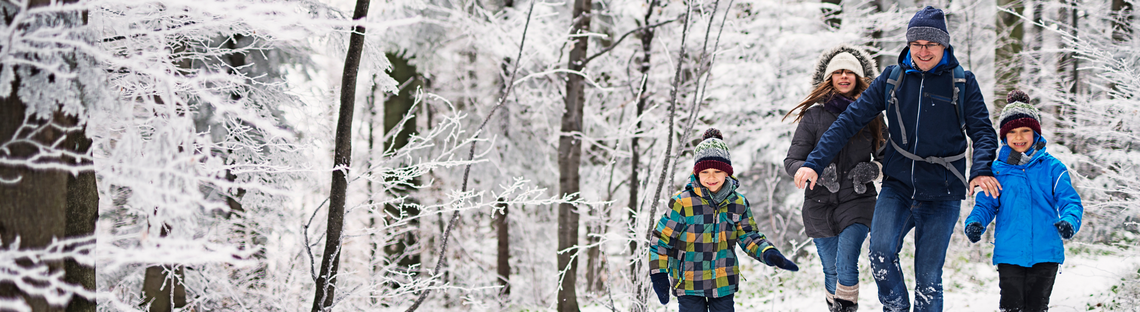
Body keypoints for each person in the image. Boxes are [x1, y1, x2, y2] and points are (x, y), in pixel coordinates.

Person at [792, 6, 1001, 312]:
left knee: (928, 277)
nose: (923, 51)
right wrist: (814, 161)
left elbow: (983, 132)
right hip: (898, 185)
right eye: (917, 44)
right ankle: (896, 308)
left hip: (943, 190)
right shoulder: (893, 78)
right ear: (909, 44)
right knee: (880, 254)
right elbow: (849, 120)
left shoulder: (962, 82)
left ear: (944, 44)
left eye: (931, 44)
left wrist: (981, 169)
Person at [649, 128, 800, 312]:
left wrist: (769, 253)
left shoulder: (738, 203)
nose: (711, 177)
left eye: (717, 171)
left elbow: (749, 236)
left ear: (727, 172)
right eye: (705, 172)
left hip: (723, 282)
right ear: (697, 173)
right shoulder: (682, 202)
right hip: (688, 283)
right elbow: (660, 240)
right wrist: (659, 275)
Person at [783, 44, 885, 312]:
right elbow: (791, 160)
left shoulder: (873, 116)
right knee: (830, 270)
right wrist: (810, 170)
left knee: (845, 262)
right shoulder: (813, 116)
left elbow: (889, 158)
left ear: (859, 78)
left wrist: (873, 171)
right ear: (828, 78)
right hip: (819, 203)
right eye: (837, 72)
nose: (843, 77)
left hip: (858, 199)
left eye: (849, 72)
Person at [963, 90, 1084, 312]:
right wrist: (975, 222)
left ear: (1036, 133)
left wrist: (1069, 221)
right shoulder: (997, 170)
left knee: (1037, 307)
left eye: (1025, 131)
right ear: (1004, 137)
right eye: (1013, 132)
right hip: (1009, 251)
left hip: (1046, 251)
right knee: (1011, 306)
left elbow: (1070, 201)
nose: (1019, 137)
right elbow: (986, 204)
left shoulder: (1052, 168)